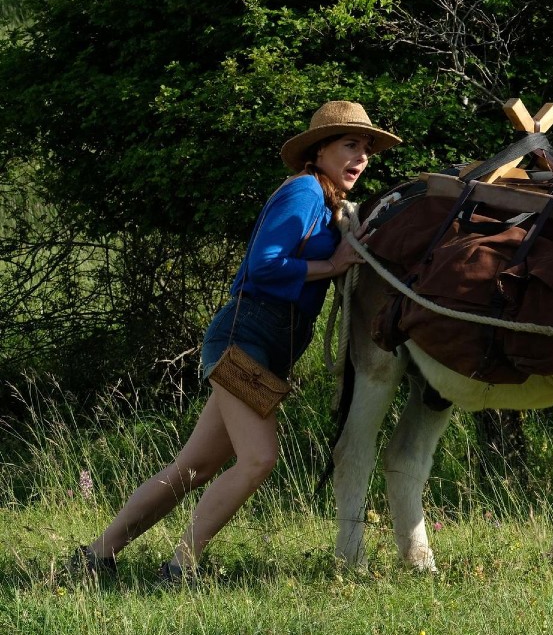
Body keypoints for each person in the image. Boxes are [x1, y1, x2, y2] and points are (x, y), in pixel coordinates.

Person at [74, 101, 401, 583]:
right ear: (319, 151)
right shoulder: (304, 191)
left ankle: (96, 555)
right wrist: (331, 266)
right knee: (258, 459)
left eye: (367, 149)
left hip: (270, 343)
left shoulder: (328, 202)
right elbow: (264, 264)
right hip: (246, 335)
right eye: (350, 145)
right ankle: (181, 566)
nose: (362, 157)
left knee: (195, 465)